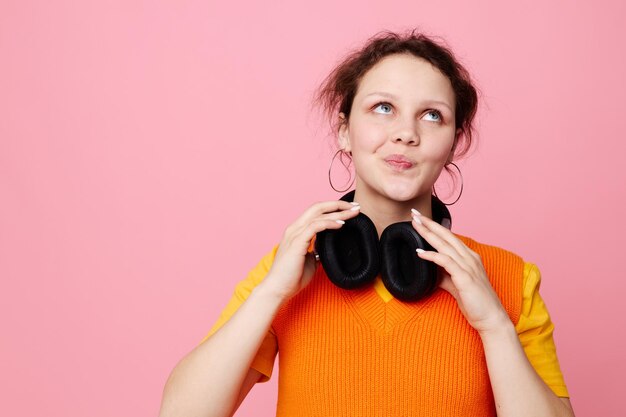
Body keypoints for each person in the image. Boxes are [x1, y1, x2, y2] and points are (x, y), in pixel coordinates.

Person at [158, 29, 575, 417]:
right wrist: (272, 294)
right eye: (383, 108)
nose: (405, 133)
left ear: (454, 143)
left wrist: (493, 324)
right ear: (344, 131)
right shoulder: (289, 268)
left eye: (432, 116)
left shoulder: (509, 278)